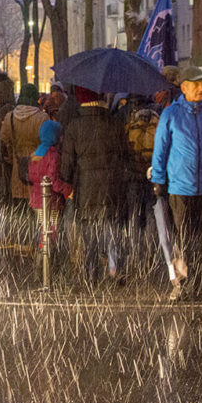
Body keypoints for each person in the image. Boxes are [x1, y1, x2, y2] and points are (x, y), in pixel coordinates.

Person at [151, 67, 202, 301]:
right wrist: (158, 179)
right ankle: (182, 281)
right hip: (180, 186)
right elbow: (161, 149)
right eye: (195, 84)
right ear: (183, 87)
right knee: (183, 237)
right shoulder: (171, 114)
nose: (201, 88)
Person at [60, 86, 133, 282]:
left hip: (86, 189)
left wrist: (68, 178)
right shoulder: (114, 123)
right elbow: (125, 154)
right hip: (112, 186)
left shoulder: (74, 126)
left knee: (89, 233)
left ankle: (90, 272)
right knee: (112, 228)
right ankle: (115, 268)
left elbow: (66, 167)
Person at [0, 84, 49, 249]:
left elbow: (3, 140)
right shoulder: (42, 118)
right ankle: (33, 241)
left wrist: (11, 155)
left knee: (19, 206)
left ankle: (21, 239)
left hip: (17, 167)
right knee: (35, 204)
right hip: (38, 167)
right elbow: (49, 143)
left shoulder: (10, 117)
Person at [28, 120, 72, 263]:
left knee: (43, 230)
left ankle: (40, 260)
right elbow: (53, 182)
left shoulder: (35, 154)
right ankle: (48, 263)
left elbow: (32, 177)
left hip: (36, 200)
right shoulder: (53, 155)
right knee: (52, 231)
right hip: (50, 201)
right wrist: (68, 190)